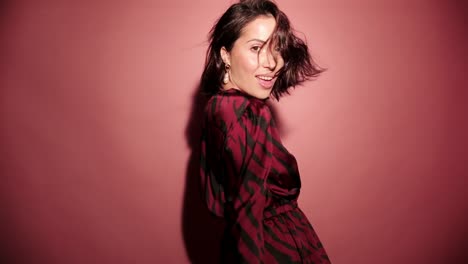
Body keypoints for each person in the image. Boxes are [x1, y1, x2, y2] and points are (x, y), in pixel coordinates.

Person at [199, 0, 331, 263]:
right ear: (225, 54)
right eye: (256, 48)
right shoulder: (249, 113)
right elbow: (247, 210)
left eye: (277, 49)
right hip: (273, 249)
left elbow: (225, 201)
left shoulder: (217, 109)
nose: (272, 62)